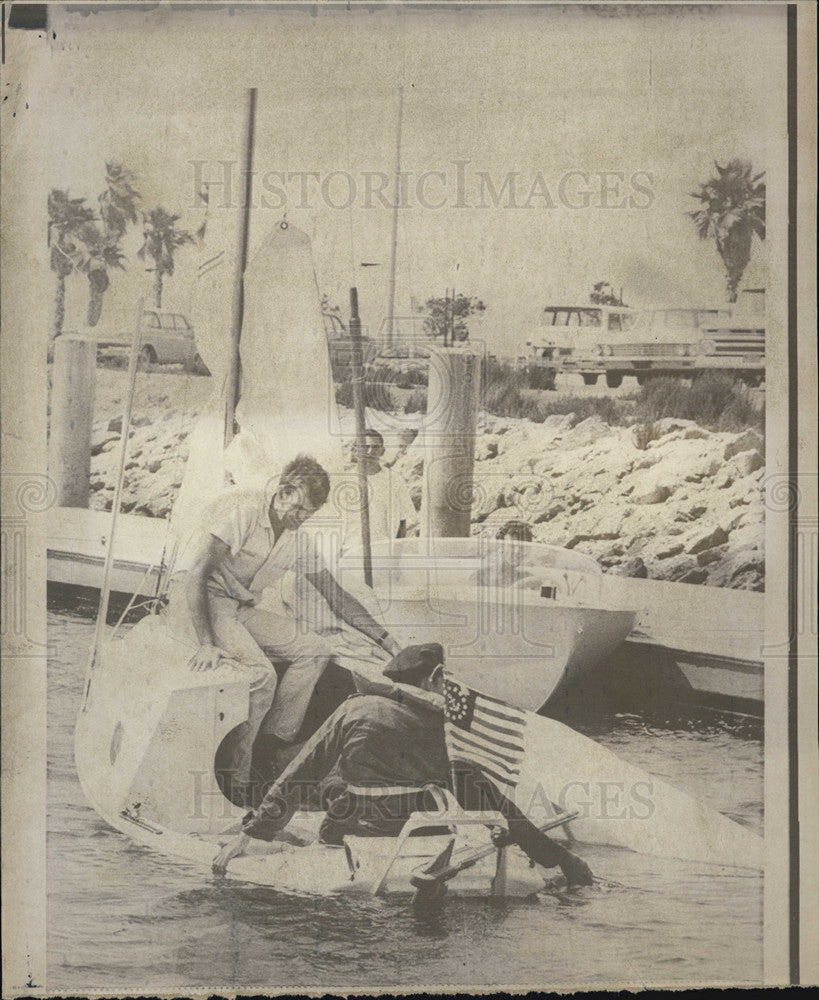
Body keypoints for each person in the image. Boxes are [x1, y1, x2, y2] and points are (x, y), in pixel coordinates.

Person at [212, 644, 594, 886]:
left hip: (355, 828)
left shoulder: (354, 709)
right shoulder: (449, 730)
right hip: (425, 832)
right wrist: (553, 854)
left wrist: (257, 831)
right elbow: (487, 796)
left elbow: (301, 772)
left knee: (327, 790)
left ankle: (262, 830)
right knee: (466, 783)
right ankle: (554, 858)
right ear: (434, 679)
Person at [165, 453, 401, 799]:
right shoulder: (246, 514)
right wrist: (206, 642)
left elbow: (335, 595)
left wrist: (388, 641)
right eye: (300, 509)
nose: (302, 518)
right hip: (203, 602)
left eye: (309, 514)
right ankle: (238, 779)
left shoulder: (296, 539)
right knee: (262, 676)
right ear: (283, 492)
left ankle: (273, 743)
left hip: (239, 608)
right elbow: (198, 574)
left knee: (316, 650)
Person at [343, 428, 417, 550]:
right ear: (356, 450)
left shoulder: (395, 480)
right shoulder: (345, 481)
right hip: (350, 550)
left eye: (375, 447)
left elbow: (405, 519)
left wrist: (396, 552)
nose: (370, 451)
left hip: (382, 550)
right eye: (365, 446)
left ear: (382, 451)